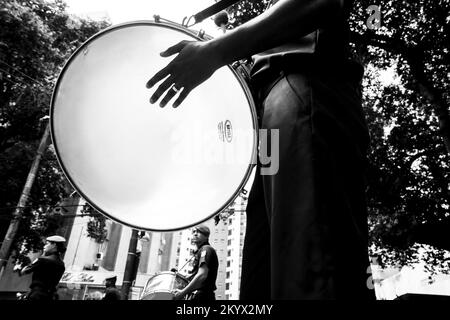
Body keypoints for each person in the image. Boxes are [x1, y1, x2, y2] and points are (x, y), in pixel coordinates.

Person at [147, 0, 374, 300]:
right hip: (273, 117)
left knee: (313, 266)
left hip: (304, 88)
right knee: (260, 283)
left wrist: (214, 52)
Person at [173, 225, 218, 301]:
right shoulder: (200, 251)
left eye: (199, 232)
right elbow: (195, 275)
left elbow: (202, 275)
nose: (195, 234)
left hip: (203, 296)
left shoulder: (206, 249)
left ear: (206, 236)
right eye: (194, 232)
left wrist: (182, 293)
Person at [17, 235, 66, 300]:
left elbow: (24, 271)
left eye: (47, 244)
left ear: (54, 245)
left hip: (37, 295)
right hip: (50, 296)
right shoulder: (61, 264)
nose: (44, 246)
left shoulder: (42, 259)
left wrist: (42, 255)